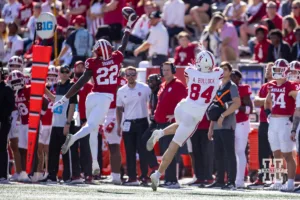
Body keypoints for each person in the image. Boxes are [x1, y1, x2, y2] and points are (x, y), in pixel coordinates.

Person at [53, 13, 137, 176]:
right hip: (105, 98)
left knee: (93, 129)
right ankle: (73, 138)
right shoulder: (117, 58)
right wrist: (128, 27)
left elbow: (80, 83)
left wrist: (64, 98)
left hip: (92, 96)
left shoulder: (93, 62)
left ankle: (95, 163)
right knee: (91, 126)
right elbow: (124, 44)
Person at [147, 51, 224, 191]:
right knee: (174, 146)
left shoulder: (191, 71)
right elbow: (218, 70)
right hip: (194, 115)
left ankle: (160, 133)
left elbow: (190, 78)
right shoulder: (217, 74)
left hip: (182, 107)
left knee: (179, 125)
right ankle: (157, 174)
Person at [147, 61, 187, 188]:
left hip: (170, 125)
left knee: (170, 151)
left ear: (173, 70)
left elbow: (186, 104)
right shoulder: (163, 85)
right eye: (163, 70)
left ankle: (172, 180)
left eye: (168, 70)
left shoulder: (178, 85)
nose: (165, 72)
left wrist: (176, 116)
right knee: (164, 150)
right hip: (160, 123)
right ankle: (168, 178)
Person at [264, 59, 298, 192]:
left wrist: (293, 116)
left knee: (288, 154)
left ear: (285, 71)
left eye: (279, 69)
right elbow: (267, 102)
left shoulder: (291, 86)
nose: (276, 72)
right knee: (276, 153)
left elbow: (298, 100)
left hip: (285, 122)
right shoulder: (271, 85)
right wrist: (268, 113)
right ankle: (277, 181)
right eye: (275, 69)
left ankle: (290, 183)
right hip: (273, 122)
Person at [42, 65, 80, 183]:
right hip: (56, 123)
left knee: (66, 150)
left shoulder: (72, 86)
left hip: (66, 123)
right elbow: (56, 100)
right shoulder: (57, 85)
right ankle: (52, 176)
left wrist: (67, 123)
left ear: (70, 73)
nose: (64, 73)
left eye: (66, 72)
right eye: (62, 71)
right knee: (53, 151)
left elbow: (72, 106)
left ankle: (67, 177)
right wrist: (44, 89)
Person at [206, 62, 241, 189]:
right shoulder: (218, 86)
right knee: (218, 154)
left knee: (229, 153)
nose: (223, 71)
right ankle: (220, 180)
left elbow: (237, 103)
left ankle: (231, 181)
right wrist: (211, 127)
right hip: (217, 126)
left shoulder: (232, 86)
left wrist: (223, 115)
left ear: (230, 71)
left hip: (227, 125)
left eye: (225, 69)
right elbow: (215, 109)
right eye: (221, 69)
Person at [116, 66, 151, 185]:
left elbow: (151, 102)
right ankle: (132, 177)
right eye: (128, 75)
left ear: (136, 75)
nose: (130, 77)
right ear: (125, 76)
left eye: (133, 74)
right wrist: (118, 125)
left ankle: (145, 176)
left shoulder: (144, 88)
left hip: (142, 122)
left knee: (143, 150)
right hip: (128, 123)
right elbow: (119, 109)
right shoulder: (121, 91)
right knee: (129, 151)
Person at [248, 62, 274, 188]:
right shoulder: (264, 86)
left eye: (271, 69)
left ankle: (278, 178)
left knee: (277, 151)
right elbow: (256, 102)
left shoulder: (281, 85)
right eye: (267, 69)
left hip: (276, 121)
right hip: (264, 121)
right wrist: (267, 101)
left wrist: (264, 101)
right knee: (263, 151)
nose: (268, 71)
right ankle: (263, 177)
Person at [231, 69, 253, 188]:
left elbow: (250, 109)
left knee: (239, 151)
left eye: (234, 77)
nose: (231, 79)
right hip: (229, 123)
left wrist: (238, 107)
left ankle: (240, 180)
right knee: (231, 152)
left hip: (241, 123)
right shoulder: (225, 88)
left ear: (239, 79)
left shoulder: (243, 89)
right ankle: (231, 179)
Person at [72, 61, 93, 183]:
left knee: (85, 147)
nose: (80, 68)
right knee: (73, 146)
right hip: (73, 118)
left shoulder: (90, 86)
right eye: (78, 66)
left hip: (85, 119)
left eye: (82, 67)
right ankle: (75, 173)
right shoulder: (70, 84)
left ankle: (88, 173)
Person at [0, 68, 15, 183]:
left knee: (2, 148)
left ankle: (3, 175)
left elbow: (10, 107)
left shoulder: (7, 88)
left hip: (3, 122)